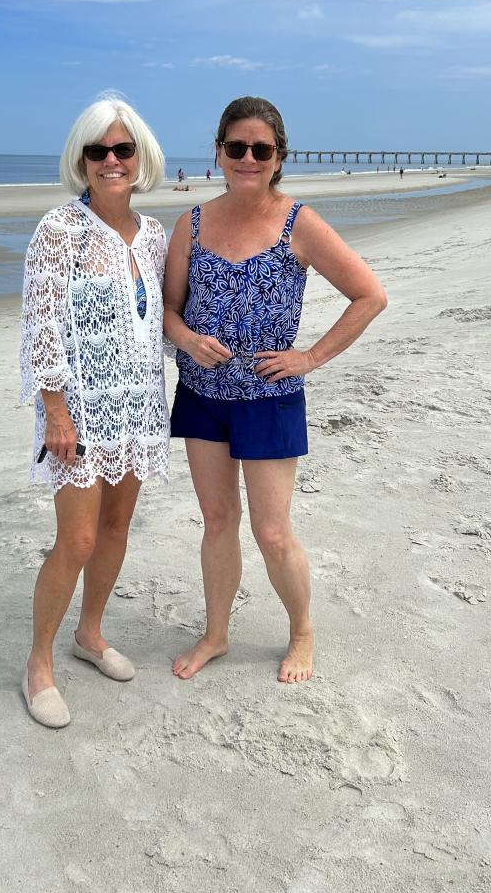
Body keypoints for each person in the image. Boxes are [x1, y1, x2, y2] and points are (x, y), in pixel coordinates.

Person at [163, 96, 387, 685]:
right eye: (236, 147)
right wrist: (186, 339)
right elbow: (165, 309)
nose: (247, 158)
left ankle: (302, 631)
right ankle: (216, 633)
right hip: (202, 396)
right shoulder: (192, 223)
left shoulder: (299, 222)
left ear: (278, 157)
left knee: (271, 530)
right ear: (218, 152)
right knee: (217, 519)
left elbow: (370, 297)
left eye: (260, 149)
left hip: (269, 397)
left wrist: (310, 356)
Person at [19, 97, 169, 728]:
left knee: (114, 530)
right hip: (77, 410)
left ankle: (91, 633)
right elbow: (41, 320)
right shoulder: (60, 230)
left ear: (141, 158)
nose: (111, 161)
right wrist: (56, 410)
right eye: (97, 151)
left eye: (122, 150)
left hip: (137, 405)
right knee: (76, 537)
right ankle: (38, 667)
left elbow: (160, 316)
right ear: (81, 160)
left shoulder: (157, 235)